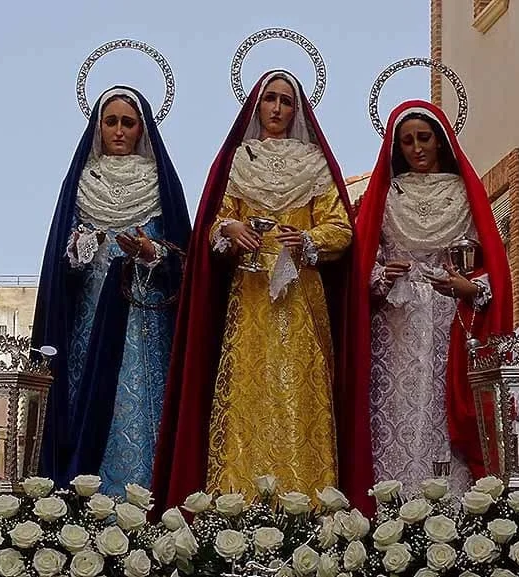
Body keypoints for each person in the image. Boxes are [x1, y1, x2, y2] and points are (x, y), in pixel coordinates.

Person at [153, 70, 371, 510]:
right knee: (245, 396)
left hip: (300, 300)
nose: (276, 108)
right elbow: (213, 226)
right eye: (269, 99)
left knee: (301, 396)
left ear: (298, 110)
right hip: (248, 296)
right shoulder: (239, 162)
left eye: (285, 101)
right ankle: (237, 503)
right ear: (256, 107)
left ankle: (307, 504)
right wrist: (229, 228)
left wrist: (308, 239)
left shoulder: (315, 166)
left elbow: (342, 229)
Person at [349, 101, 513, 496]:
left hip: (448, 321)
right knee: (394, 410)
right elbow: (363, 261)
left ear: (440, 141)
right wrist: (380, 277)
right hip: (396, 323)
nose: (417, 148)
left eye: (424, 138)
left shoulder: (464, 195)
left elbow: (490, 261)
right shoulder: (386, 196)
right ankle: (392, 502)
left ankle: (451, 506)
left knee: (444, 412)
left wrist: (470, 288)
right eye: (407, 141)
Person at [33, 86, 191, 495]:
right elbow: (60, 262)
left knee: (139, 398)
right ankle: (89, 493)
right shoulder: (82, 183)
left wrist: (150, 251)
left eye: (128, 122)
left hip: (145, 316)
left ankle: (144, 491)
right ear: (98, 127)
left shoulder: (159, 184)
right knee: (90, 396)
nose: (119, 131)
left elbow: (182, 256)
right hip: (89, 314)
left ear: (142, 129)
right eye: (111, 122)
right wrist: (82, 248)